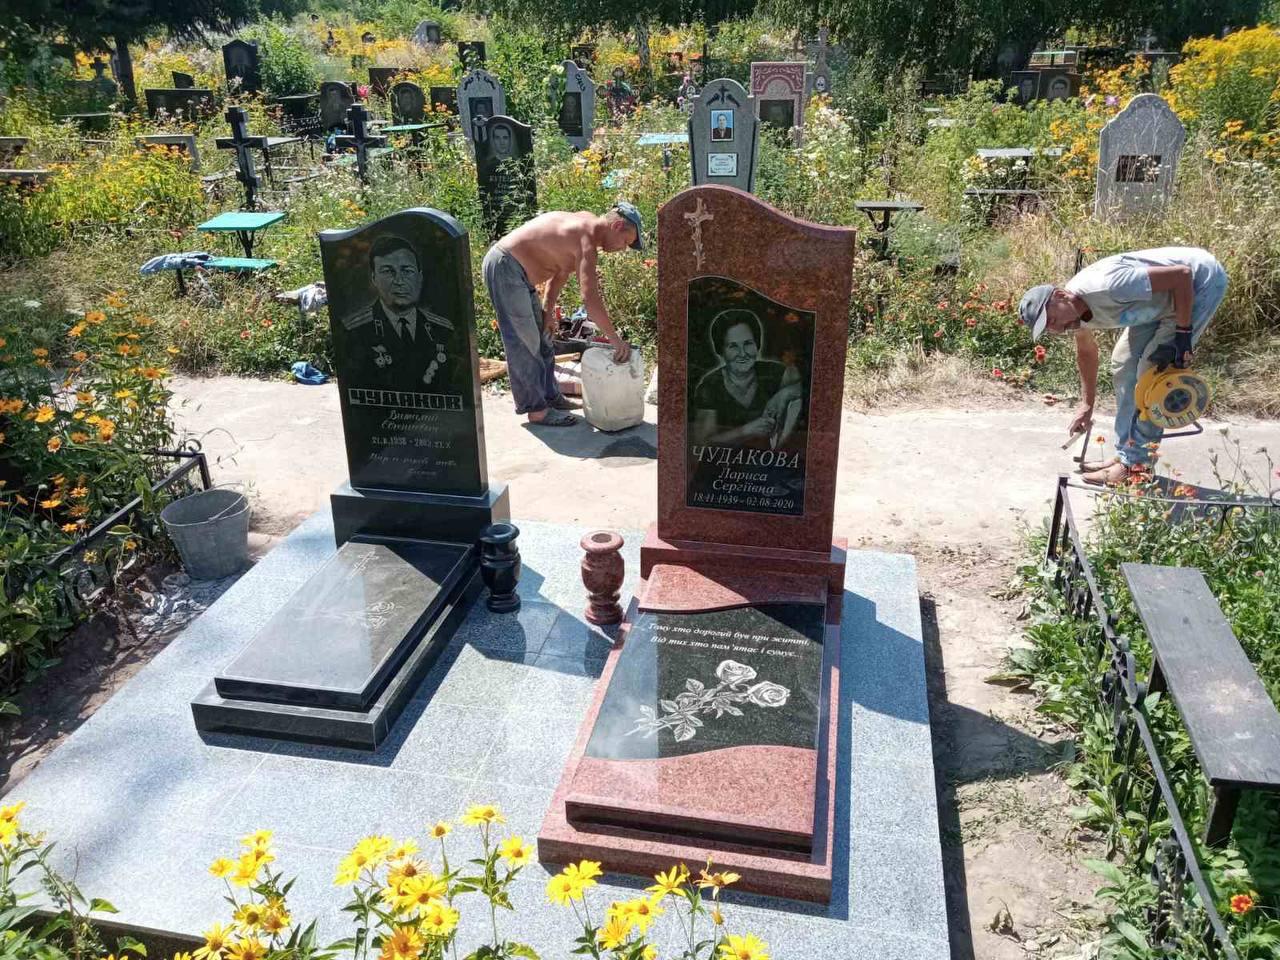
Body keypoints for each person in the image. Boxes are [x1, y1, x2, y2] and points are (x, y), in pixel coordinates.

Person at [1019, 247, 1228, 485]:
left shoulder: (1107, 286)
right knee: (1123, 363)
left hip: (1199, 283)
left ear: (1060, 296)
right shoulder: (1073, 314)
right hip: (1159, 300)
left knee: (1151, 373)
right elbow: (1086, 353)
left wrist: (1183, 334)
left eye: (1053, 320)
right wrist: (1087, 405)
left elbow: (1182, 275)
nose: (1057, 329)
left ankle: (1137, 466)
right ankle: (1125, 453)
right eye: (1049, 328)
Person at [482, 203, 642, 426]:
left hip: (518, 273)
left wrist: (548, 312)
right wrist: (615, 340)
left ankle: (551, 397)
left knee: (544, 338)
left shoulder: (585, 222)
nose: (623, 249)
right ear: (616, 226)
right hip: (506, 266)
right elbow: (590, 299)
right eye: (625, 242)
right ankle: (536, 410)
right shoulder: (586, 240)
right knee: (524, 342)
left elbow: (561, 272)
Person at [345, 234, 454, 390]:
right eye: (388, 271)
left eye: (407, 271)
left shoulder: (442, 329)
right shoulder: (355, 330)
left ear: (420, 277)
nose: (399, 281)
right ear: (374, 278)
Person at [691, 309, 803, 448]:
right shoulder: (709, 387)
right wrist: (747, 430)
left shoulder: (777, 373)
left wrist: (785, 394)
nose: (743, 353)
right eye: (733, 346)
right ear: (721, 350)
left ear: (757, 344)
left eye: (748, 343)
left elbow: (807, 388)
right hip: (726, 460)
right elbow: (703, 442)